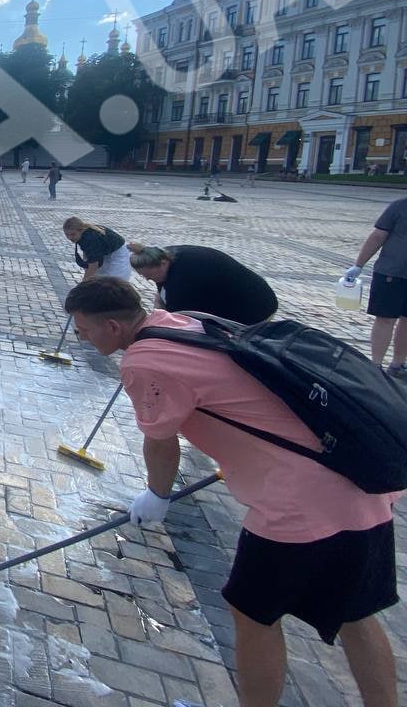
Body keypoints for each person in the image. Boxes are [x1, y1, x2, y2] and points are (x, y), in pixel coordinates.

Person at [64, 278, 400, 707]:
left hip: (299, 502)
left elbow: (161, 442)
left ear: (111, 326)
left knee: (252, 612)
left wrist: (156, 495)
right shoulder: (184, 322)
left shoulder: (144, 360)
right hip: (357, 482)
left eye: (84, 330)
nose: (82, 338)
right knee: (355, 613)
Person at [128, 243, 278, 324]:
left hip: (256, 309)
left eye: (150, 276)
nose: (148, 280)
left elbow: (178, 322)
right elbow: (161, 297)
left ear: (162, 263)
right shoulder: (164, 254)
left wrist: (156, 321)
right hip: (253, 295)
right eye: (144, 277)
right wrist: (158, 314)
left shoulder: (182, 281)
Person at [344, 194, 407, 373]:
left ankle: (398, 364)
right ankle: (376, 366)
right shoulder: (399, 207)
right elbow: (378, 236)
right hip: (391, 273)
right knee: (386, 319)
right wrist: (358, 265)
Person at [63, 216, 129, 280]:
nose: (69, 238)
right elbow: (88, 259)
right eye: (67, 235)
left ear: (81, 230)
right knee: (99, 281)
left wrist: (82, 286)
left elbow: (93, 266)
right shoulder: (82, 235)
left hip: (118, 253)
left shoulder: (90, 239)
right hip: (105, 253)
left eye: (73, 234)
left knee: (116, 283)